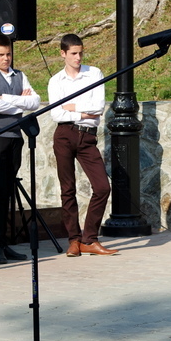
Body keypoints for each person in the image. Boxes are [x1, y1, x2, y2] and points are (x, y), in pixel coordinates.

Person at [48, 33, 116, 257]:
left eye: (80, 53)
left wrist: (71, 106)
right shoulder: (56, 81)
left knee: (102, 187)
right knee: (68, 189)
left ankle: (89, 238)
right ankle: (74, 240)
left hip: (87, 136)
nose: (78, 57)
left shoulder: (94, 73)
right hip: (64, 135)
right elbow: (56, 113)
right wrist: (81, 109)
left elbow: (97, 106)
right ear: (63, 54)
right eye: (73, 53)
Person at [0, 34, 40, 265]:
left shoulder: (19, 75)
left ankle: (5, 244)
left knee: (9, 191)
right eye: (1, 55)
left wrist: (8, 99)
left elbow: (35, 101)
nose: (6, 59)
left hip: (14, 136)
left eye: (9, 54)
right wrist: (18, 102)